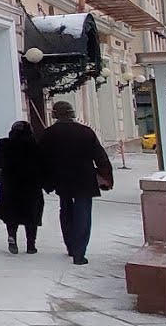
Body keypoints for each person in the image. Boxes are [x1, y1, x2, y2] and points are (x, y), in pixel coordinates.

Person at [40, 100, 113, 265]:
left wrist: (46, 181)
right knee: (83, 214)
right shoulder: (86, 132)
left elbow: (41, 160)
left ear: (55, 114)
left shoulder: (49, 134)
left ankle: (70, 246)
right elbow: (100, 156)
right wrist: (106, 177)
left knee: (66, 211)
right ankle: (80, 253)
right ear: (71, 113)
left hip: (62, 179)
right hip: (85, 179)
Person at [0, 121, 45, 254]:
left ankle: (12, 236)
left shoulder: (4, 143)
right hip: (31, 185)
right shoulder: (35, 145)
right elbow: (43, 164)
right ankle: (31, 245)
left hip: (10, 183)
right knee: (32, 213)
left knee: (11, 211)